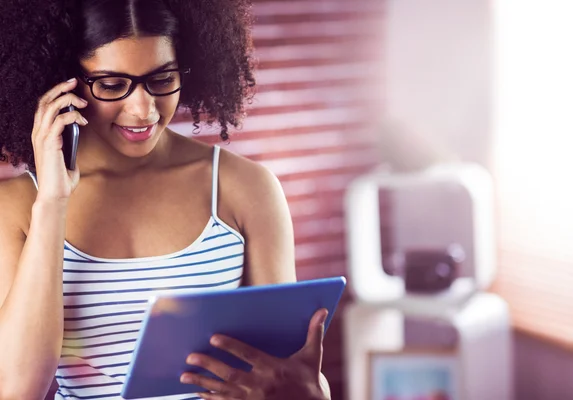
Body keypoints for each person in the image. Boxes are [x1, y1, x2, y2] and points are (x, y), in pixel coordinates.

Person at [0, 1, 331, 399]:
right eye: (111, 84)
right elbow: (19, 389)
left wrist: (309, 393)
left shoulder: (243, 188)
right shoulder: (19, 207)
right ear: (63, 84)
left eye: (162, 79)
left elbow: (285, 370)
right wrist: (53, 202)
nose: (143, 110)